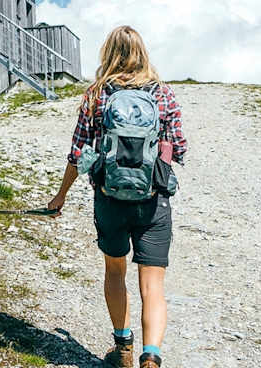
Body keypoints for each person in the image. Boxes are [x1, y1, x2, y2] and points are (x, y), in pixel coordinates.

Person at [46, 25, 186, 368]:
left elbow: (78, 153)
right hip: (152, 201)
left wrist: (59, 197)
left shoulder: (96, 95)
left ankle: (122, 348)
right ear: (143, 52)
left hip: (109, 199)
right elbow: (179, 148)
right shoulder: (162, 94)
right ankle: (150, 358)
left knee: (114, 271)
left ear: (108, 53)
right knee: (152, 284)